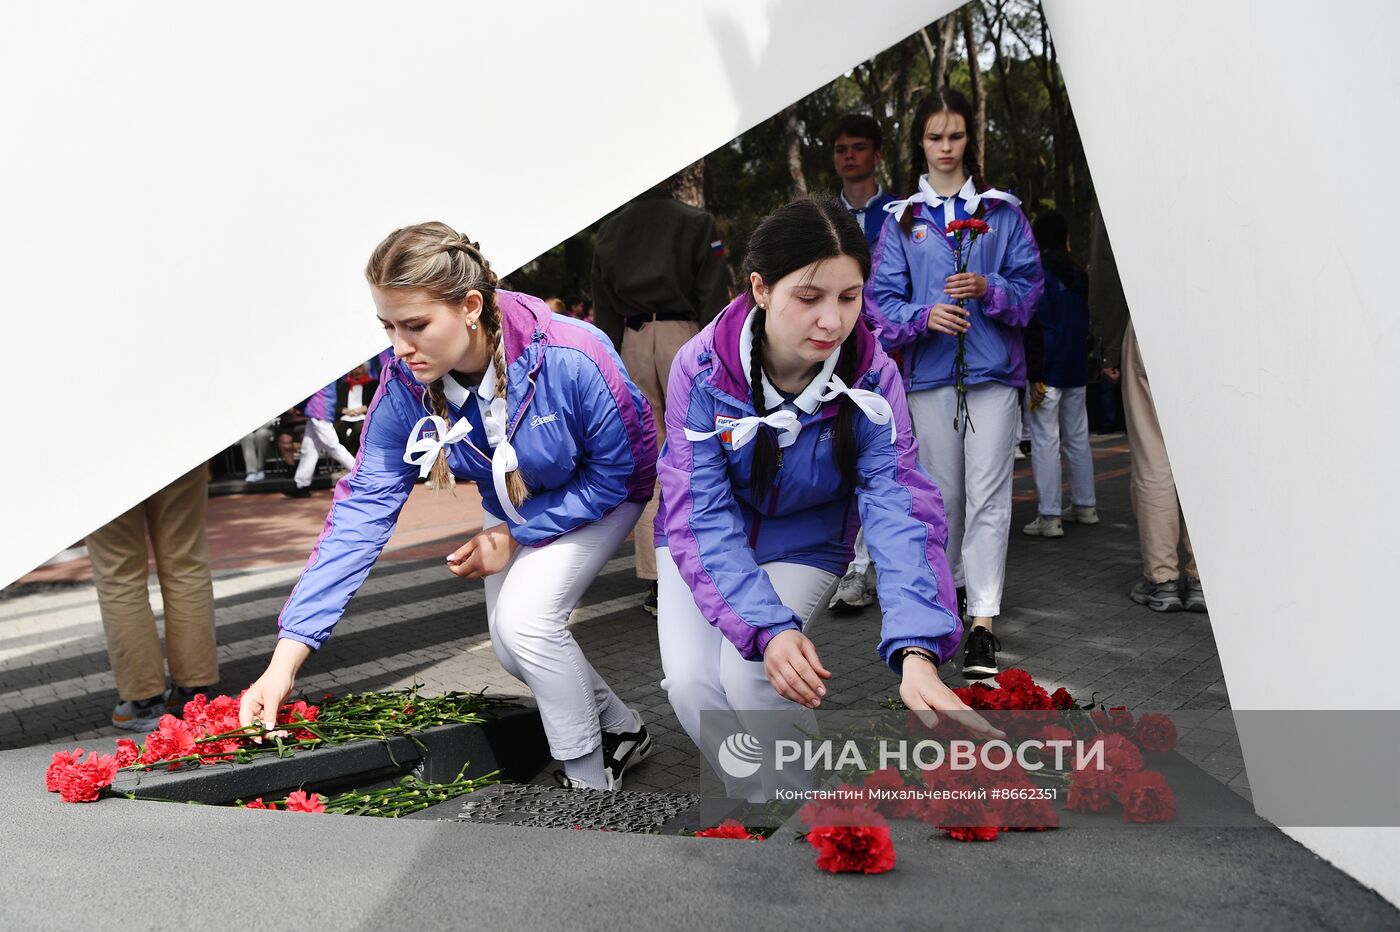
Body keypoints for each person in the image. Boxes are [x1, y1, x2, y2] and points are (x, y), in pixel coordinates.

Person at [239, 222, 659, 791]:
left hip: (600, 494)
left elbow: (623, 468)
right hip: (512, 509)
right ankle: (621, 729)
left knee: (527, 625)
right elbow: (360, 516)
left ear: (469, 306)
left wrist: (514, 536)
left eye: (415, 326)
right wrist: (284, 661)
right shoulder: (402, 388)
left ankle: (589, 789)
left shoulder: (573, 353)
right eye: (387, 326)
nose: (399, 346)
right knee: (514, 650)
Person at [655, 199, 1000, 801]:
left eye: (850, 297)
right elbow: (700, 512)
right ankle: (754, 800)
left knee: (756, 677)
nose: (833, 321)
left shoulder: (873, 376)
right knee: (689, 683)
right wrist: (765, 625)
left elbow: (900, 509)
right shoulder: (702, 367)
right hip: (702, 536)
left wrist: (917, 649)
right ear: (760, 288)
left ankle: (799, 807)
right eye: (809, 297)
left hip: (807, 536)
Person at [867, 89, 1044, 679]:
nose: (946, 148)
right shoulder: (902, 220)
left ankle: (983, 624)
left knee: (990, 498)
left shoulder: (1003, 212)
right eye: (935, 137)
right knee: (941, 502)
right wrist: (925, 317)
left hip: (993, 379)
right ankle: (941, 613)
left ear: (971, 139)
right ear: (919, 141)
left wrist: (990, 289)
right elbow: (879, 306)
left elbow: (1030, 293)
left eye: (956, 136)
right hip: (928, 380)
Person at [591, 180, 729, 615]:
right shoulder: (697, 222)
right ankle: (704, 563)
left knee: (648, 462)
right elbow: (712, 295)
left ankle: (656, 579)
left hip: (631, 340)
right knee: (698, 450)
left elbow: (604, 308)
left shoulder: (609, 233)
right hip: (684, 336)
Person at [1089, 207, 1205, 613]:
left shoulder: (1126, 167)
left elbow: (1107, 263)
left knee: (1156, 457)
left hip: (1150, 318)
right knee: (1205, 456)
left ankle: (1164, 579)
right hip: (1214, 321)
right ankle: (1204, 575)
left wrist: (1107, 339)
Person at [827, 113, 898, 613]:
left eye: (859, 147)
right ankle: (855, 570)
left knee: (896, 462)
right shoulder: (822, 216)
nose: (849, 155)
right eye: (841, 148)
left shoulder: (901, 214)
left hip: (898, 354)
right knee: (848, 457)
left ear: (876, 153)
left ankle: (899, 567)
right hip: (836, 355)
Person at [86, 464, 219, 730]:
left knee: (119, 575)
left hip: (97, 454)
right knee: (186, 563)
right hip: (176, 438)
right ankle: (193, 692)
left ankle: (144, 702)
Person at [1021, 211, 1098, 538]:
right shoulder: (1078, 272)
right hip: (1076, 366)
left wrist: (1034, 371)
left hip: (1047, 370)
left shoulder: (1039, 272)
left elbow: (1038, 325)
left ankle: (1050, 515)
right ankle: (1085, 505)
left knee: (1044, 440)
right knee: (1078, 438)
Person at [284, 378, 357, 499]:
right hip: (318, 409)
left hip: (319, 409)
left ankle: (362, 475)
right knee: (309, 449)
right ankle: (301, 485)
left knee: (333, 447)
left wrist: (296, 405)